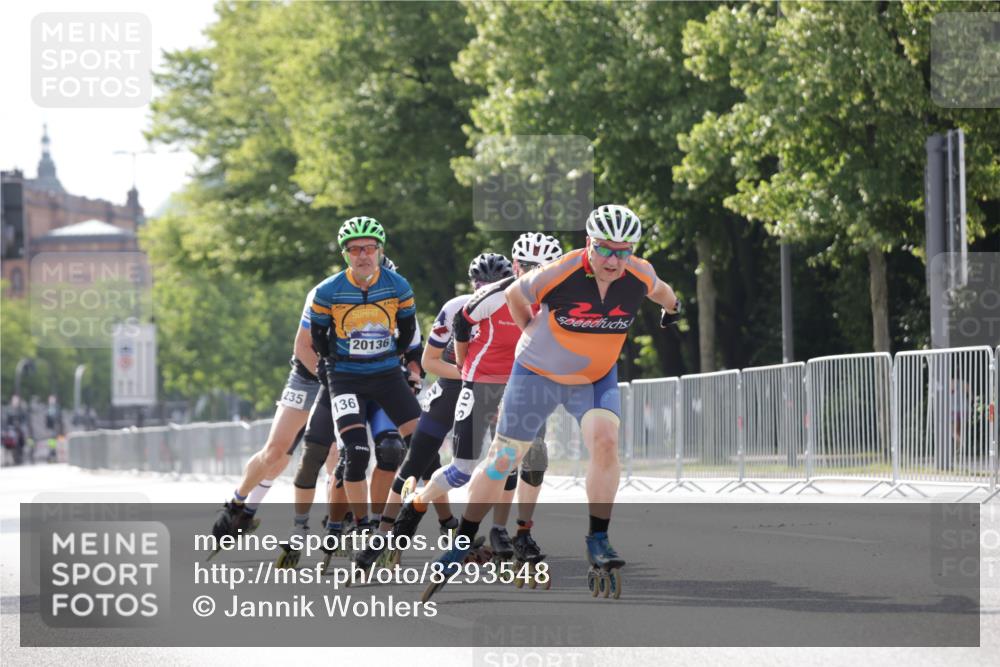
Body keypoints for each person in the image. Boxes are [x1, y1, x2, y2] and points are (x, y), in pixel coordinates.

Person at [412, 205, 680, 600]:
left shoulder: (638, 272)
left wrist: (672, 312)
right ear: (589, 243)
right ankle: (464, 539)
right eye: (606, 249)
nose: (614, 260)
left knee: (605, 443)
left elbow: (666, 294)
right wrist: (529, 330)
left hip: (593, 376)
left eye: (624, 251)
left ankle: (598, 538)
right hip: (538, 372)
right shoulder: (563, 270)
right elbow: (515, 293)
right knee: (505, 459)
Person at [357, 234, 565, 571]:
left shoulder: (555, 301)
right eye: (526, 267)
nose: (484, 286)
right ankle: (387, 531)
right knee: (427, 462)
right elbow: (432, 359)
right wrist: (468, 375)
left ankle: (509, 530)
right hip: (464, 383)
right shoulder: (476, 301)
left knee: (524, 459)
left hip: (517, 387)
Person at [307, 216, 424, 547]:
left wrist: (392, 358)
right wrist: (337, 363)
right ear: (346, 254)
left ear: (379, 250)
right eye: (355, 249)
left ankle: (407, 520)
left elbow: (407, 331)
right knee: (356, 453)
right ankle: (362, 524)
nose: (363, 255)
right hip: (345, 378)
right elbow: (318, 336)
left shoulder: (397, 285)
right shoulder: (328, 291)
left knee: (421, 445)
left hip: (386, 374)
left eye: (369, 248)